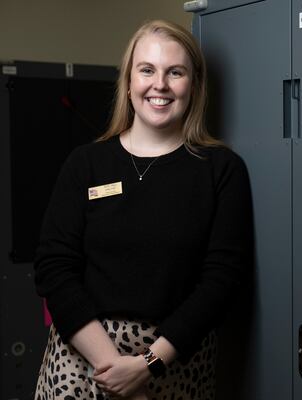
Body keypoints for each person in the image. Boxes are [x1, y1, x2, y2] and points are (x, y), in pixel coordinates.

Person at [33, 19, 253, 400]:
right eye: (147, 70)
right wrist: (114, 371)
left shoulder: (221, 170)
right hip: (83, 362)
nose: (160, 85)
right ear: (129, 81)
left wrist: (147, 366)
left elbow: (222, 280)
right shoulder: (85, 164)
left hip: (174, 364)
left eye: (176, 72)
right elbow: (53, 268)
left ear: (194, 84)